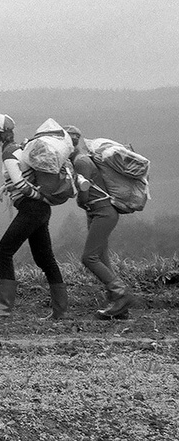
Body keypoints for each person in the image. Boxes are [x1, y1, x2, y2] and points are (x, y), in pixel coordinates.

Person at [0, 114, 68, 319]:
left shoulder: (9, 153)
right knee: (45, 259)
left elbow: (20, 183)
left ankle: (4, 308)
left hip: (32, 209)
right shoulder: (20, 149)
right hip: (39, 210)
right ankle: (59, 311)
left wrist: (38, 197)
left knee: (3, 251)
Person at [64, 125, 136, 319]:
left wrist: (79, 199)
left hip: (102, 213)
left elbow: (84, 196)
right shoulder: (81, 160)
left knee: (89, 258)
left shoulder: (80, 162)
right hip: (100, 213)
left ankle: (122, 295)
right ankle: (119, 306)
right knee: (102, 258)